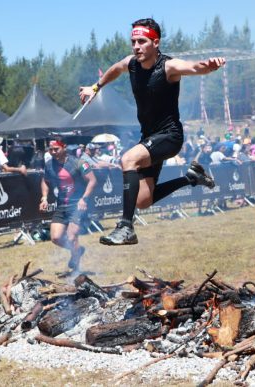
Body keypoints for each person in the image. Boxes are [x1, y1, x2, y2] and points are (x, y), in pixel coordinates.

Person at [79, 18, 225, 245]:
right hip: (149, 137)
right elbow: (115, 69)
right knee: (143, 200)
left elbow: (195, 67)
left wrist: (209, 66)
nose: (136, 46)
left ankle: (126, 227)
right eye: (133, 41)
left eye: (142, 41)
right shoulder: (131, 63)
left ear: (155, 43)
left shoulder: (168, 67)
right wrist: (95, 88)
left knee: (128, 159)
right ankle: (191, 178)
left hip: (170, 136)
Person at [39, 138, 96, 272]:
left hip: (77, 205)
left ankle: (76, 269)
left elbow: (92, 181)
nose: (53, 152)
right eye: (50, 150)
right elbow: (45, 181)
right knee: (56, 238)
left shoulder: (79, 162)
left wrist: (84, 198)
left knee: (71, 237)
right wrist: (44, 198)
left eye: (56, 149)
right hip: (61, 205)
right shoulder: (49, 164)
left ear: (64, 147)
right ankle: (77, 250)